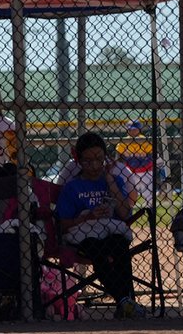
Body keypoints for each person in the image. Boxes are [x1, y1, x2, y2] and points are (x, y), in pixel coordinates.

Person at [56, 132, 140, 318]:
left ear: (105, 157)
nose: (94, 166)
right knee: (96, 248)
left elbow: (125, 213)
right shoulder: (72, 187)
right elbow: (62, 224)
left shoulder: (115, 181)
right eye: (87, 161)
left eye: (99, 159)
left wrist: (110, 180)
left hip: (110, 232)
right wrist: (87, 217)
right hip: (85, 236)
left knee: (119, 243)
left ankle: (123, 301)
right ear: (78, 160)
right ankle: (124, 300)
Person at [116, 120, 156, 199]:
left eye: (135, 129)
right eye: (131, 129)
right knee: (129, 195)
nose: (133, 131)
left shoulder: (144, 140)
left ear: (139, 130)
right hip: (130, 172)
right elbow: (118, 157)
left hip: (146, 172)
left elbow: (151, 156)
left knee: (149, 196)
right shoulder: (124, 141)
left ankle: (150, 206)